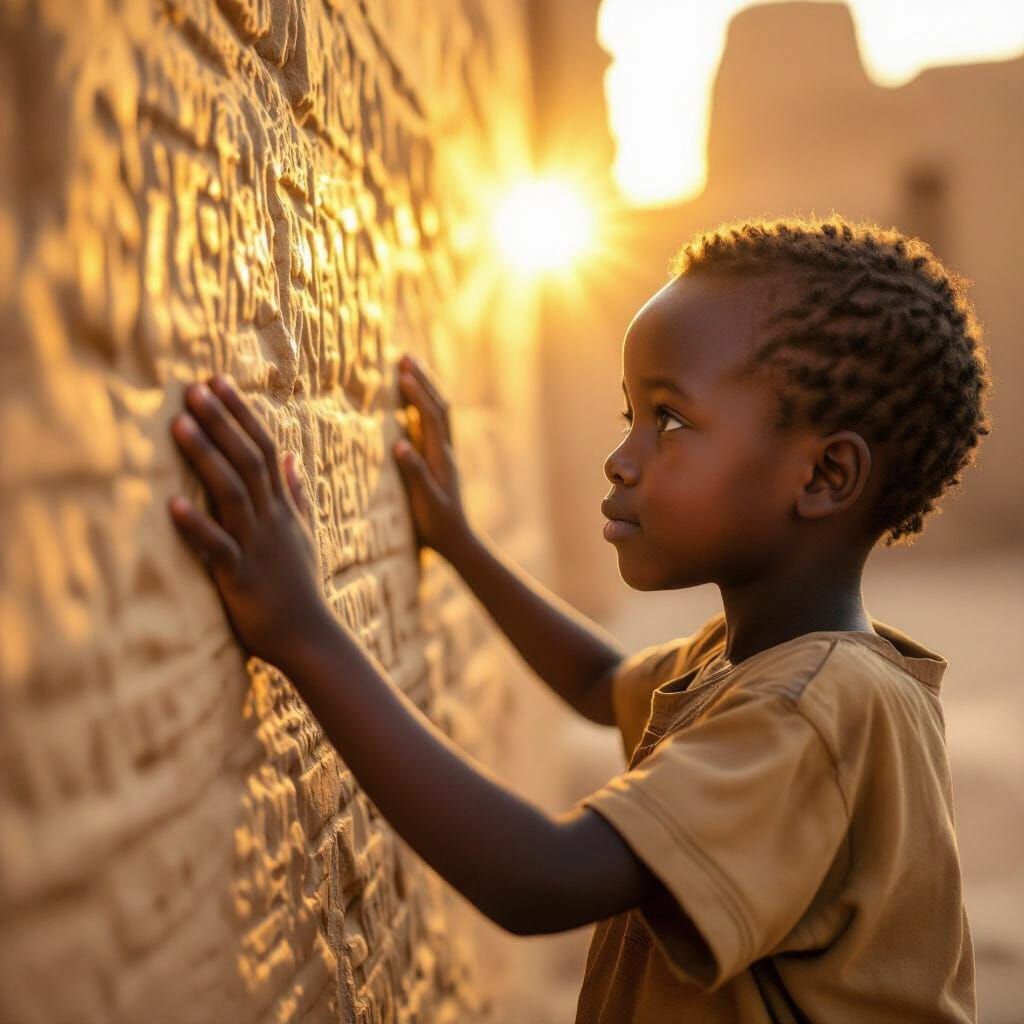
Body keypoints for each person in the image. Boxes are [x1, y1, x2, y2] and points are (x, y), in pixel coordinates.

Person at [166, 214, 991, 1022]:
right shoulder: (757, 660)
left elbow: (539, 877)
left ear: (825, 474)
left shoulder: (814, 710)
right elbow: (601, 681)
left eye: (668, 419)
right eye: (626, 415)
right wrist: (458, 542)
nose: (621, 457)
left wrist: (303, 633)